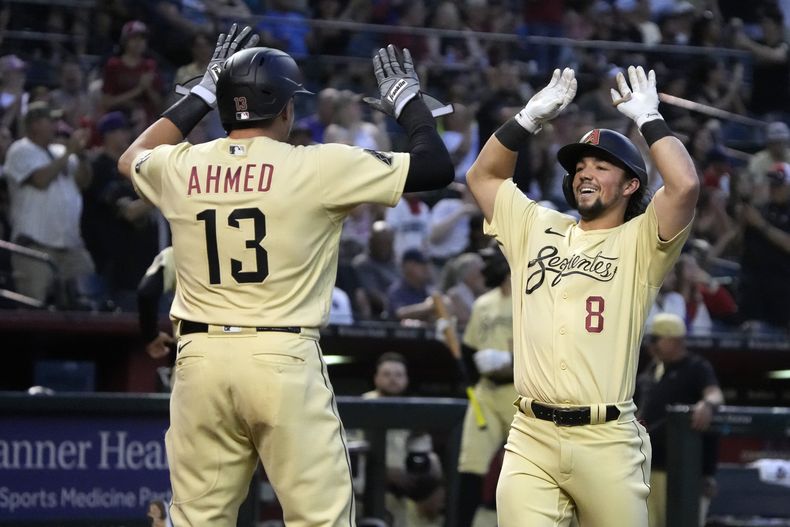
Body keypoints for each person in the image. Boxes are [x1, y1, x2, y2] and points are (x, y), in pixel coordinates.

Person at [117, 22, 454, 526]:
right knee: (320, 519)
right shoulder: (316, 165)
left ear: (228, 105)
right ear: (287, 108)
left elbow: (131, 157)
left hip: (200, 361)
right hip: (280, 356)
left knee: (196, 520)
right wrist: (409, 103)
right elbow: (436, 168)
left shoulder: (181, 166)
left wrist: (204, 94)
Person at [465, 64, 699, 526]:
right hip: (530, 434)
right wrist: (527, 119)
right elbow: (484, 179)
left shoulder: (642, 241)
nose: (584, 173)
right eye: (579, 167)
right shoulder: (536, 225)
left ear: (631, 185)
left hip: (607, 439)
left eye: (601, 166)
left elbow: (686, 185)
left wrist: (650, 119)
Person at [635, 313, 724, 527]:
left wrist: (707, 405)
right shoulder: (651, 370)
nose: (651, 346)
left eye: (656, 340)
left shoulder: (696, 367)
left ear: (674, 340)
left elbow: (714, 394)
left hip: (682, 470)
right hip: (646, 467)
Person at [3, 101, 94, 306]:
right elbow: (40, 181)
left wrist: (80, 153)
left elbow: (83, 182)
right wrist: (69, 152)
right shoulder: (20, 149)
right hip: (35, 246)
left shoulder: (59, 150)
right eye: (50, 121)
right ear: (34, 125)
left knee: (85, 304)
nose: (56, 125)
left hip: (70, 245)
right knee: (34, 305)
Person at [456, 245, 515, 527]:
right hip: (486, 392)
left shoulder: (531, 299)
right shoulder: (483, 303)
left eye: (490, 262)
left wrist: (510, 360)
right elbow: (468, 348)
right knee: (471, 466)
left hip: (521, 392)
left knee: (527, 469)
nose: (484, 269)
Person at [360, 352, 445, 527]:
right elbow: (348, 452)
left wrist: (429, 476)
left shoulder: (411, 411)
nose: (393, 379)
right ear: (376, 378)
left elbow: (421, 453)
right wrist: (384, 471)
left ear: (406, 380)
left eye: (399, 375)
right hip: (362, 492)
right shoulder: (361, 405)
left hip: (398, 494)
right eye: (387, 374)